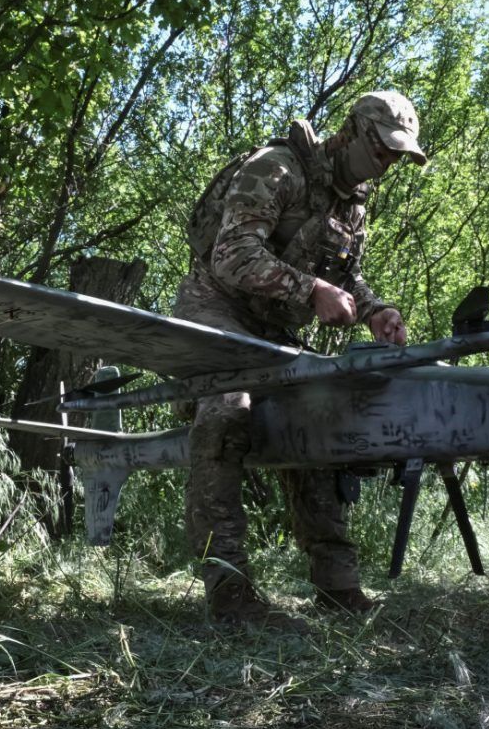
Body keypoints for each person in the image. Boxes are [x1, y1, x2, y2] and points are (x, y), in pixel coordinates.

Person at [172, 90, 426, 629]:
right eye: (381, 150)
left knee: (316, 418)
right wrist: (310, 291)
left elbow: (344, 276)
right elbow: (231, 255)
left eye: (396, 158)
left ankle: (337, 586)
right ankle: (229, 592)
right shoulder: (277, 169)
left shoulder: (351, 204)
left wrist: (376, 309)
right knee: (227, 411)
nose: (385, 166)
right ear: (353, 132)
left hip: (274, 325)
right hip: (215, 307)